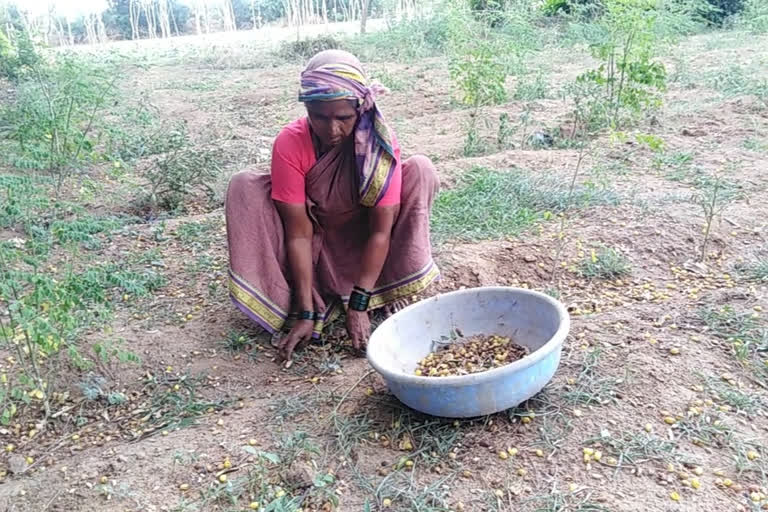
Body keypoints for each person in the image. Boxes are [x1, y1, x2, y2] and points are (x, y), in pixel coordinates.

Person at [225, 49, 440, 361]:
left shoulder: (378, 143)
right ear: (307, 110)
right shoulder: (291, 142)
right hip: (318, 242)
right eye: (319, 118)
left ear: (360, 108)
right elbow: (298, 233)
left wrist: (359, 304)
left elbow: (382, 231)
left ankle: (386, 286)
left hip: (369, 239)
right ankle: (310, 294)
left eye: (344, 118)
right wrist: (306, 311)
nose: (333, 131)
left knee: (421, 169)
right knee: (243, 185)